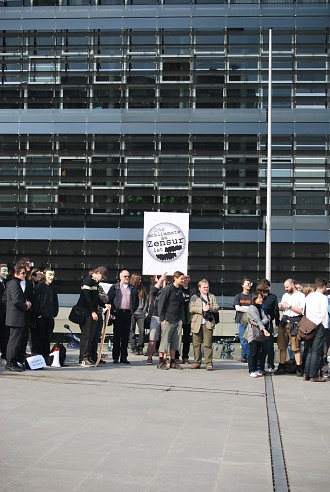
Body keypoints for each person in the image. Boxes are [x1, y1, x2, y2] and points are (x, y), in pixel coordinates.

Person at [76, 266, 110, 367]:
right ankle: (83, 358)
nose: (102, 279)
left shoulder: (94, 282)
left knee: (91, 336)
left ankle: (88, 356)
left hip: (91, 312)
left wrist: (104, 305)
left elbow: (95, 298)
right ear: (98, 272)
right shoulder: (88, 281)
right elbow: (87, 298)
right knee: (86, 336)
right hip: (86, 313)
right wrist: (92, 312)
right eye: (102, 276)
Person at [275, 278, 305, 376]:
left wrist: (290, 306)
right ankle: (281, 366)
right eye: (285, 287)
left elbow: (301, 311)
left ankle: (299, 367)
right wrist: (281, 306)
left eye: (287, 287)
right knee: (282, 346)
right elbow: (283, 308)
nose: (286, 289)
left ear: (292, 285)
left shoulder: (301, 296)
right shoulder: (285, 295)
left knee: (295, 347)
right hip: (284, 321)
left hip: (295, 321)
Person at [4, 265, 32, 372]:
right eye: (23, 273)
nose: (25, 275)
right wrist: (26, 306)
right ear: (16, 274)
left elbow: (7, 299)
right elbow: (16, 300)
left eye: (25, 273)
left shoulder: (14, 283)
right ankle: (10, 362)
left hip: (16, 317)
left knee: (16, 341)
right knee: (14, 341)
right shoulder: (14, 284)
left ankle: (13, 361)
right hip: (15, 317)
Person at [108, 269, 139, 365]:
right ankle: (116, 357)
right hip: (118, 313)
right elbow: (109, 299)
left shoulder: (132, 288)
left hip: (127, 313)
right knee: (117, 336)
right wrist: (112, 311)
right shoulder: (115, 287)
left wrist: (132, 310)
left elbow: (136, 301)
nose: (127, 278)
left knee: (126, 337)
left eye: (128, 276)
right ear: (120, 277)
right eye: (125, 276)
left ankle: (124, 357)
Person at [189, 278, 219, 371]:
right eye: (204, 287)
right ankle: (197, 362)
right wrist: (202, 309)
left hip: (208, 323)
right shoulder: (195, 297)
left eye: (207, 287)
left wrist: (210, 308)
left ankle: (209, 363)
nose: (206, 289)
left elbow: (217, 307)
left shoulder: (212, 296)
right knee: (196, 344)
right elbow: (191, 309)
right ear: (199, 288)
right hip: (197, 323)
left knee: (207, 344)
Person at [157, 271, 185, 370]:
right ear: (175, 278)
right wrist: (162, 319)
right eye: (181, 279)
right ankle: (161, 362)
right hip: (167, 320)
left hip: (177, 320)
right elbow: (161, 304)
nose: (183, 280)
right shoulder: (167, 289)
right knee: (164, 342)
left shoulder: (180, 291)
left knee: (175, 343)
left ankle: (173, 362)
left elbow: (181, 306)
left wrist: (181, 320)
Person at [303, 278, 328, 382]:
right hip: (319, 325)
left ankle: (306, 373)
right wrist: (326, 326)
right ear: (324, 287)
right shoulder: (323, 298)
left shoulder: (309, 296)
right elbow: (324, 314)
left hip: (309, 325)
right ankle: (314, 375)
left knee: (309, 350)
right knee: (316, 351)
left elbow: (304, 311)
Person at [32, 268, 59, 363]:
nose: (51, 277)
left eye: (52, 275)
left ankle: (46, 357)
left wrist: (54, 313)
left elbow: (55, 301)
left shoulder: (53, 288)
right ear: (44, 275)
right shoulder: (39, 287)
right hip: (41, 317)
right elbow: (36, 302)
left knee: (48, 338)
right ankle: (40, 357)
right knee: (41, 338)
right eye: (49, 275)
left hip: (50, 316)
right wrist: (38, 314)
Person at [256, 279, 280, 373]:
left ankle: (270, 364)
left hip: (268, 324)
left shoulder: (272, 297)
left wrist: (277, 323)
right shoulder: (258, 297)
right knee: (260, 347)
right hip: (259, 324)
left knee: (269, 347)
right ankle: (260, 367)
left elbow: (276, 311)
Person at [246, 292, 270, 378]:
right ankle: (251, 370)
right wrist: (263, 328)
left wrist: (259, 323)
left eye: (262, 298)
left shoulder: (260, 308)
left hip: (259, 334)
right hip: (253, 334)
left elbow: (266, 319)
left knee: (258, 352)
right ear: (254, 299)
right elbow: (257, 319)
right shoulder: (252, 308)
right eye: (259, 298)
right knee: (253, 352)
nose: (261, 299)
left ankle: (256, 369)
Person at [145, 273, 167, 365]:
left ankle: (164, 358)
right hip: (155, 315)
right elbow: (153, 291)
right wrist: (161, 280)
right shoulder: (153, 288)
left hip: (166, 316)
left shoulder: (167, 288)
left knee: (165, 338)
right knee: (152, 338)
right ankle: (150, 356)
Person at [175, 274, 196, 364]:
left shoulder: (192, 289)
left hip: (188, 317)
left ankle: (185, 357)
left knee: (187, 339)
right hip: (179, 316)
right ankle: (176, 356)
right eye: (184, 278)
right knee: (177, 337)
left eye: (188, 277)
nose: (186, 279)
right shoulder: (178, 289)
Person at [234, 277, 252, 362]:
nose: (249, 284)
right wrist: (248, 309)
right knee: (242, 338)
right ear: (242, 285)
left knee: (250, 338)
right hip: (240, 320)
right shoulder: (238, 296)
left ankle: (246, 355)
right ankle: (246, 355)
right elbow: (237, 308)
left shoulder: (252, 296)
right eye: (247, 283)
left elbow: (253, 308)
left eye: (249, 283)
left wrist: (243, 307)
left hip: (250, 320)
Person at [129, 273, 148, 355]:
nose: (140, 281)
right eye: (138, 279)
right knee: (131, 330)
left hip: (140, 313)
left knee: (142, 330)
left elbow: (146, 301)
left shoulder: (142, 289)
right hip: (132, 312)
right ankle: (133, 347)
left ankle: (140, 347)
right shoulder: (130, 288)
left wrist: (144, 310)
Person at [0, 263, 9, 363]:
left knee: (4, 336)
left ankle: (4, 354)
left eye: (7, 270)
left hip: (5, 314)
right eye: (4, 271)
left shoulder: (6, 283)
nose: (6, 273)